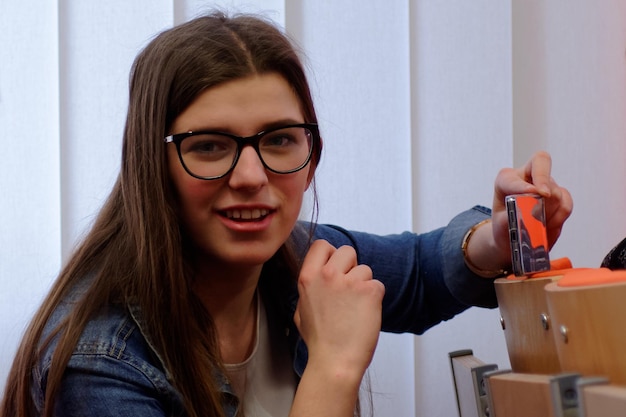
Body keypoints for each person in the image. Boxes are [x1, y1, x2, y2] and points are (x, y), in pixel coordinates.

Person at [0, 12, 573, 417]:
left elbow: (422, 270)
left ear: (311, 153)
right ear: (153, 165)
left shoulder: (295, 258)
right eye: (209, 146)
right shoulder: (97, 362)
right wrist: (332, 368)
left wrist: (494, 239)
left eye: (278, 140)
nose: (251, 177)